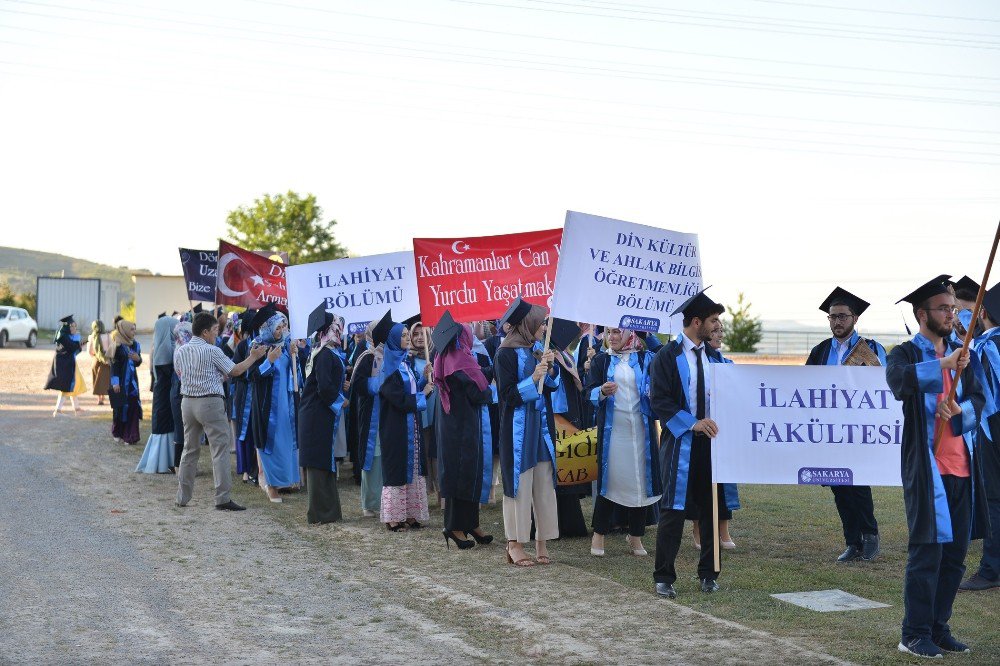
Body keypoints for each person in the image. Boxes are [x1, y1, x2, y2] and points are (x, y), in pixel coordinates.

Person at [886, 275, 987, 658]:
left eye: (953, 308)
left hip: (963, 466)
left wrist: (961, 412)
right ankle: (913, 633)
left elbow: (980, 398)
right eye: (943, 308)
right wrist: (941, 364)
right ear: (921, 313)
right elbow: (898, 383)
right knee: (927, 551)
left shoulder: (967, 353)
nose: (951, 314)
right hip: (926, 468)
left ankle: (939, 627)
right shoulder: (906, 353)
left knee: (955, 556)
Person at [650, 289, 735, 598]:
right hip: (679, 445)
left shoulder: (714, 357)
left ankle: (709, 574)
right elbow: (659, 400)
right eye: (713, 321)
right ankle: (664, 577)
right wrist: (693, 423)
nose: (717, 326)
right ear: (696, 322)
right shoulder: (667, 356)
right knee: (673, 509)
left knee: (712, 509)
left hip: (711, 445)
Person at [805, 287, 886, 563]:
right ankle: (852, 541)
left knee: (858, 483)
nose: (837, 322)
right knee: (839, 486)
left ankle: (870, 535)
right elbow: (804, 388)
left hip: (860, 430)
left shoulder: (871, 349)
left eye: (842, 316)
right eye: (832, 317)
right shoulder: (819, 351)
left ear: (854, 319)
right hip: (829, 431)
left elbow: (883, 387)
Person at [174, 310, 267, 511]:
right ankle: (222, 498)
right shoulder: (212, 350)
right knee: (219, 450)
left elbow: (180, 373)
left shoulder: (181, 350)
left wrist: (212, 377)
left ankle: (182, 497)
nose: (217, 333)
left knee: (189, 450)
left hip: (188, 402)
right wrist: (253, 356)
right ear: (206, 332)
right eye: (215, 330)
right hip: (210, 403)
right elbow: (235, 371)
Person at [495, 297, 560, 567]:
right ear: (527, 323)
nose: (544, 328)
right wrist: (533, 377)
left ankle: (541, 541)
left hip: (542, 425)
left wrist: (550, 369)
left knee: (544, 483)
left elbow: (552, 388)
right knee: (519, 485)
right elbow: (507, 395)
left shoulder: (538, 349)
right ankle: (515, 543)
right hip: (518, 429)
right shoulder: (504, 353)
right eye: (541, 323)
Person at [587, 327, 662, 558]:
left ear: (631, 333)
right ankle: (598, 534)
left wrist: (647, 333)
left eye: (618, 331)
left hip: (641, 431)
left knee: (640, 483)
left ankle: (636, 537)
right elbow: (588, 393)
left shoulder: (645, 357)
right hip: (614, 432)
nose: (613, 337)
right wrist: (601, 391)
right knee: (610, 482)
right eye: (609, 332)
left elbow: (665, 355)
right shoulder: (601, 360)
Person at [433, 315, 495, 549]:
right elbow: (479, 392)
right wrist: (488, 386)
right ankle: (454, 527)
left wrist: (489, 370)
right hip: (461, 428)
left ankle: (470, 523)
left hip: (457, 426)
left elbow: (476, 378)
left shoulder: (449, 356)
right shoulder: (461, 360)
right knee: (461, 474)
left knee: (469, 472)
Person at [371, 312, 431, 531]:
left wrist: (424, 378)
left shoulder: (405, 363)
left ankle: (411, 514)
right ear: (394, 339)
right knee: (397, 467)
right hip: (395, 427)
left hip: (411, 426)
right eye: (404, 335)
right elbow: (398, 399)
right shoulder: (388, 367)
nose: (407, 338)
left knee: (413, 467)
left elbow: (411, 393)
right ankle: (394, 517)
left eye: (407, 334)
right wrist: (423, 392)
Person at [959, 282, 1000, 592]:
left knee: (993, 499)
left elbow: (980, 400)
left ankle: (991, 569)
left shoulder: (985, 349)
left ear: (982, 312)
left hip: (991, 430)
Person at [248, 305, 306, 504]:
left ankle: (283, 481)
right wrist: (269, 361)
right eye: (277, 328)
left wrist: (293, 355)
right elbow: (252, 376)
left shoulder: (285, 344)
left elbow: (295, 375)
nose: (281, 331)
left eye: (283, 327)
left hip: (286, 404)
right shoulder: (258, 346)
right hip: (268, 407)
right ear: (267, 328)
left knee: (286, 442)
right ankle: (271, 485)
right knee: (270, 445)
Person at [690, 325, 740, 551]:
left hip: (721, 433)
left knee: (722, 483)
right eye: (716, 330)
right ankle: (698, 529)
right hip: (698, 431)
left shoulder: (726, 364)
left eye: (722, 330)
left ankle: (723, 530)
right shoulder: (692, 362)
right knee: (699, 482)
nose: (720, 334)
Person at [299, 304, 347, 524]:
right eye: (339, 326)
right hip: (317, 414)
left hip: (318, 413)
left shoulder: (323, 350)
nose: (341, 330)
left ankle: (329, 511)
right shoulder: (326, 353)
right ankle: (320, 513)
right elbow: (325, 388)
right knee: (319, 463)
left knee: (324, 462)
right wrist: (341, 400)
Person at [137, 312, 180, 473]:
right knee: (164, 425)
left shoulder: (160, 346)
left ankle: (168, 461)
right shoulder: (166, 349)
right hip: (165, 395)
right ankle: (163, 462)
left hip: (163, 395)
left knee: (167, 425)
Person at [352, 319, 384, 516]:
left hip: (388, 411)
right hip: (372, 411)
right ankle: (370, 503)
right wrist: (378, 384)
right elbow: (358, 385)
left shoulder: (391, 355)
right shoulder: (367, 356)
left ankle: (385, 501)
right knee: (372, 455)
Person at [230, 309, 260, 484]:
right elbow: (235, 370)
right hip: (244, 393)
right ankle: (245, 469)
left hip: (257, 393)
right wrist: (249, 372)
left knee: (256, 431)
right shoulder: (242, 346)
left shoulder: (263, 344)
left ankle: (257, 469)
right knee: (243, 431)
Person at [108, 319, 143, 444]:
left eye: (134, 329)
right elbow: (114, 366)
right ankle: (118, 432)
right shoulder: (116, 346)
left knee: (132, 407)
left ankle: (130, 436)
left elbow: (138, 362)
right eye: (131, 329)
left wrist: (138, 359)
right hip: (120, 383)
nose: (134, 332)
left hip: (132, 384)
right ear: (125, 331)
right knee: (119, 408)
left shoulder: (135, 345)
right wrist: (115, 382)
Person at [45, 315, 87, 415]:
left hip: (69, 364)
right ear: (67, 327)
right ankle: (57, 410)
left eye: (75, 326)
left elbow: (74, 351)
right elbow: (72, 347)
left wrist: (80, 345)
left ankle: (77, 408)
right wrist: (81, 343)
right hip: (64, 365)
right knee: (66, 386)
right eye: (72, 326)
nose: (74, 328)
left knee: (72, 385)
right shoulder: (63, 337)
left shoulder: (67, 336)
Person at [170, 321, 194, 472]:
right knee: (182, 430)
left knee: (183, 429)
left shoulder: (178, 348)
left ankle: (181, 465)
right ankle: (180, 466)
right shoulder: (184, 350)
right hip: (182, 391)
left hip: (177, 391)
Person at [87, 320, 111, 406]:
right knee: (104, 380)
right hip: (106, 360)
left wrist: (96, 354)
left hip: (95, 360)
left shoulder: (92, 337)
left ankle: (99, 398)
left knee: (96, 379)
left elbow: (90, 352)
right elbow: (111, 349)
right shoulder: (108, 336)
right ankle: (103, 397)